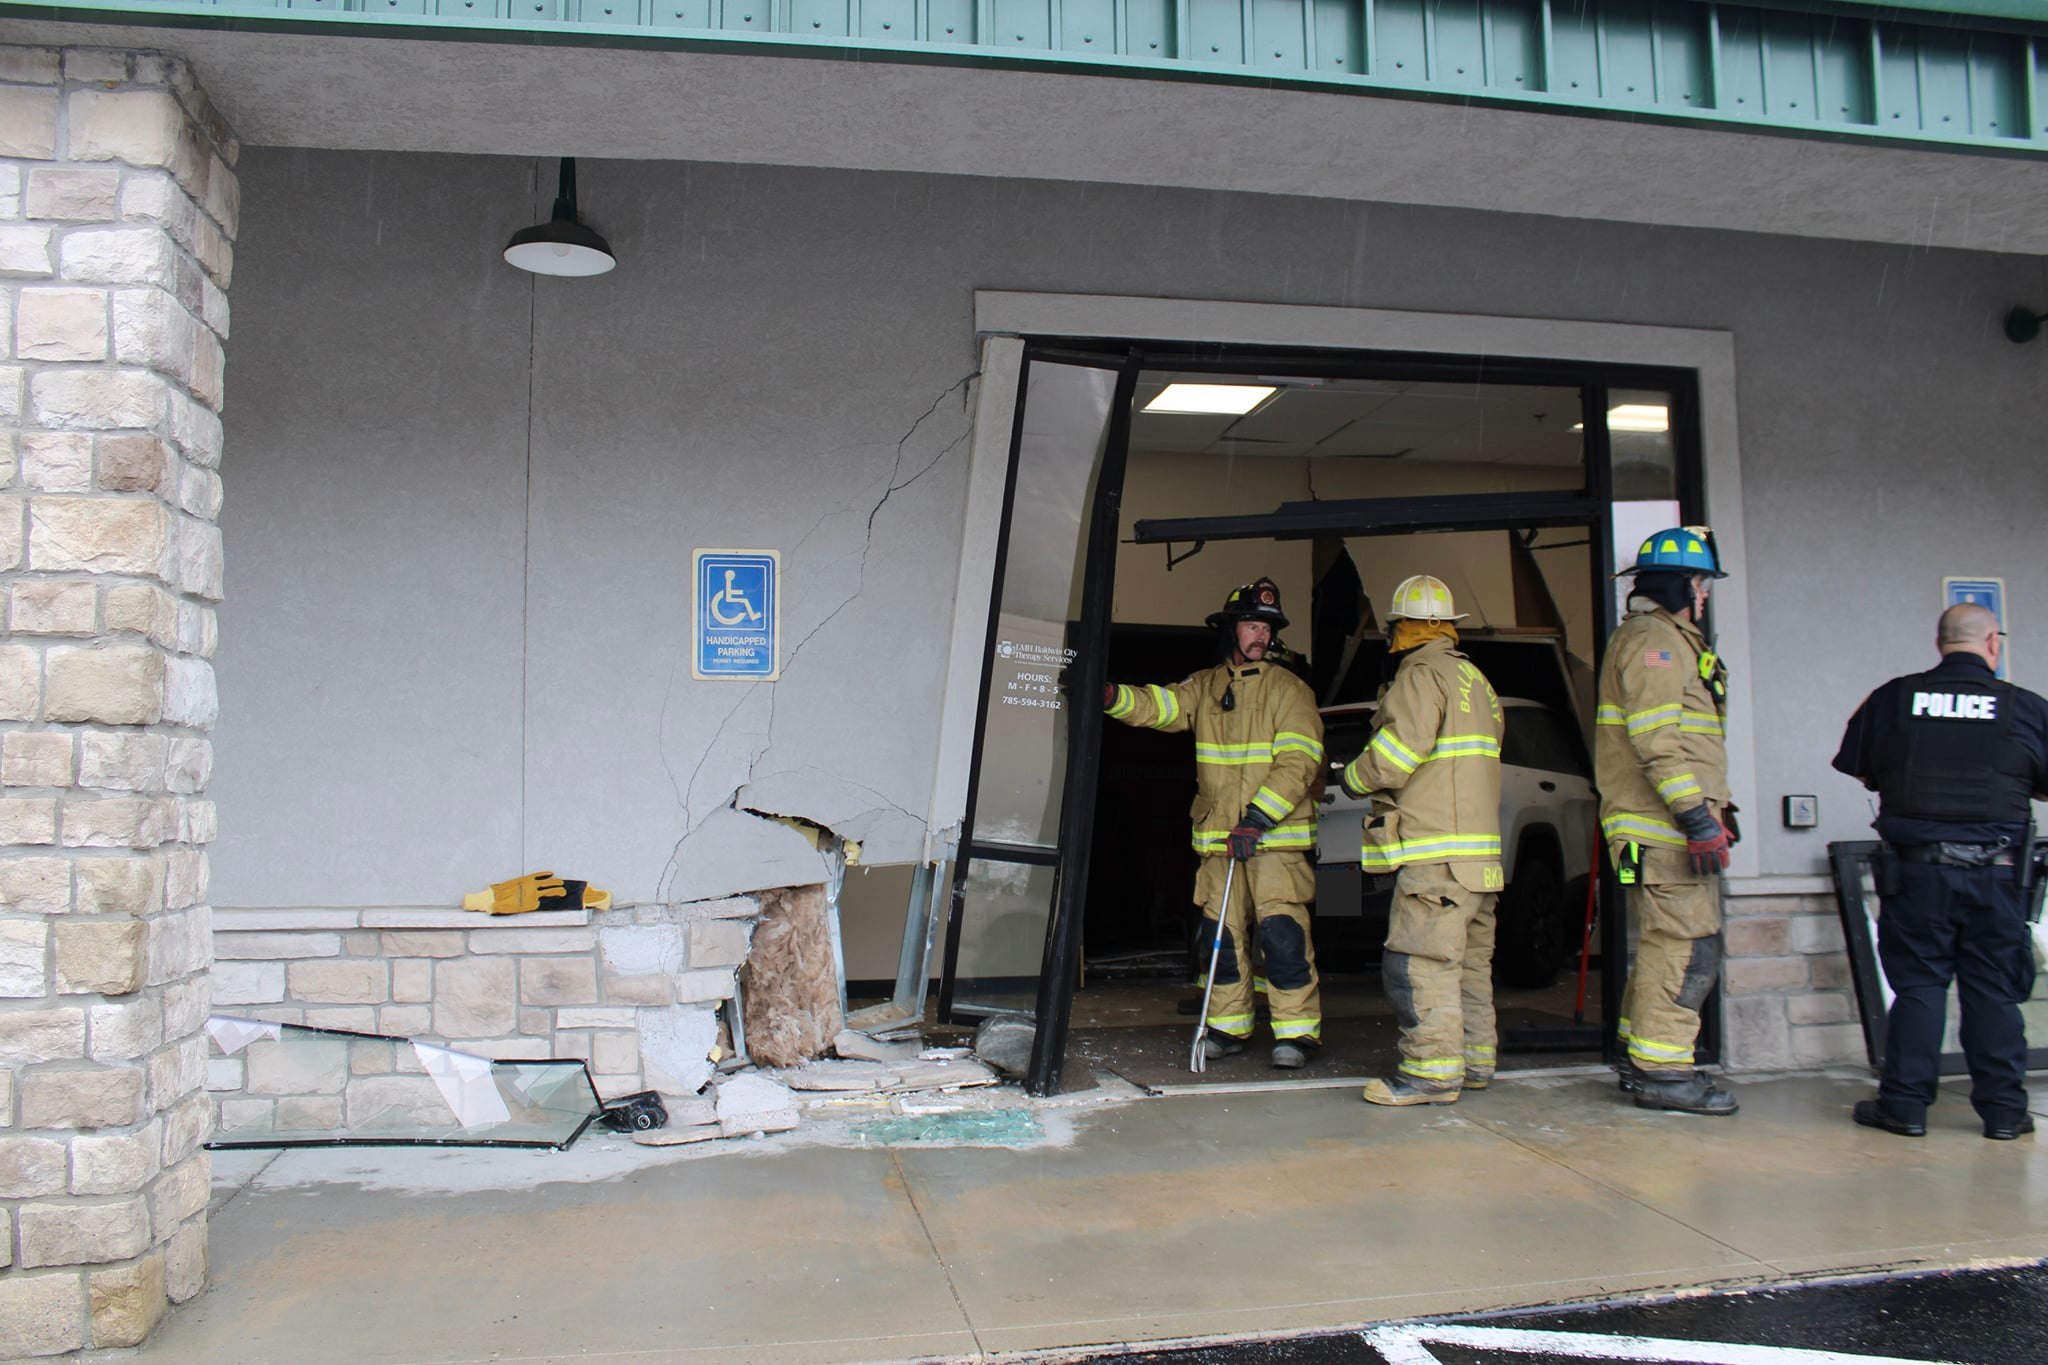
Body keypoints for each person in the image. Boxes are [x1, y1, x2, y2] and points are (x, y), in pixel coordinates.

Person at [1832, 603, 2048, 1141]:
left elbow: (1861, 769)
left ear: (1939, 644)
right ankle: (2002, 1114)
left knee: (1920, 986)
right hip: (1998, 877)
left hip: (1919, 874)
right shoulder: (2025, 708)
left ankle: (1904, 1107)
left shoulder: (1893, 698)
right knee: (1994, 992)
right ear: (1993, 644)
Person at [1104, 578, 1326, 1068]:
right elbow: (1160, 706)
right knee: (1220, 940)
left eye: (1267, 628)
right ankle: (1228, 1027)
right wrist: (1110, 695)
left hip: (1274, 844)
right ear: (1230, 630)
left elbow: (1299, 763)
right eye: (1252, 625)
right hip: (1220, 844)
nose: (1261, 636)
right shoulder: (1206, 686)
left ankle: (1298, 1033)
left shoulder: (1291, 691)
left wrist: (1258, 819)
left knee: (1283, 938)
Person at [1338, 575, 1505, 1106]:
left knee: (1419, 964)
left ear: (1402, 629)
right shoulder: (1477, 682)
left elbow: (1393, 758)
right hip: (1479, 863)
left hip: (1435, 857)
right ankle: (1475, 1063)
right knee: (1468, 968)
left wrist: (1350, 778)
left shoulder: (1419, 675)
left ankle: (1430, 1072)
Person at [1596, 527, 1740, 1116]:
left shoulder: (1666, 640)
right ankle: (1663, 1070)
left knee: (1665, 944)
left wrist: (1711, 813)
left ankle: (1644, 1058)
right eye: (1701, 583)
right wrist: (1695, 817)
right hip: (1662, 832)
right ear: (1684, 585)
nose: (1704, 595)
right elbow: (1657, 739)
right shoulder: (1655, 642)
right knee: (1684, 946)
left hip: (1658, 832)